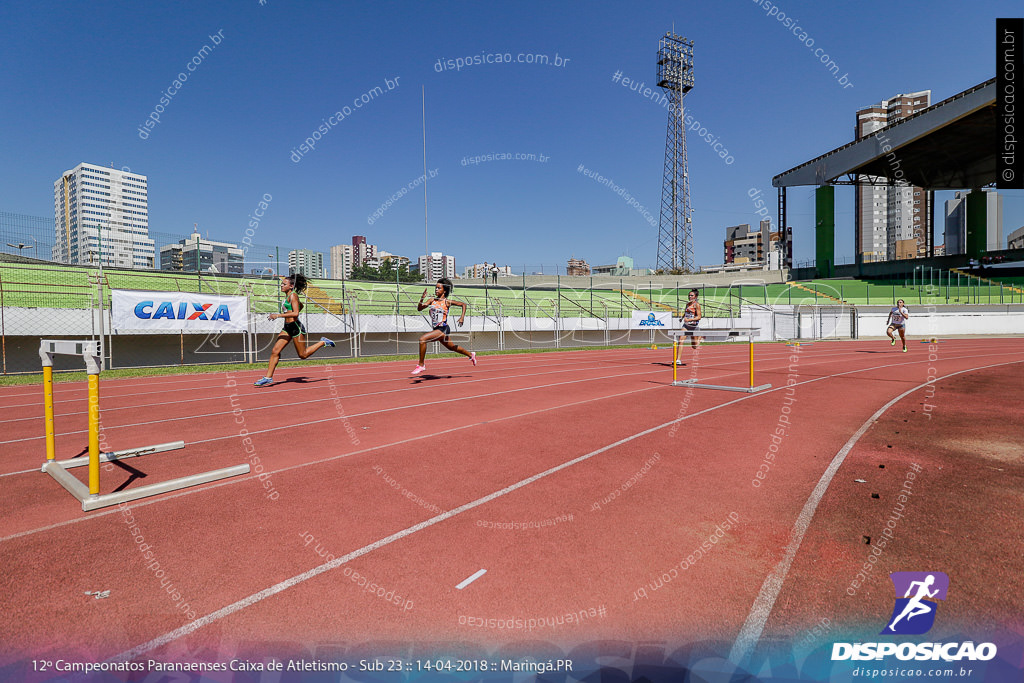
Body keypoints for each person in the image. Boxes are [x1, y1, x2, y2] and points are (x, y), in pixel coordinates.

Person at [254, 274, 334, 387]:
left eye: (284, 284)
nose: (281, 286)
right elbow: (300, 307)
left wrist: (278, 315)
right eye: (282, 284)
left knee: (303, 355)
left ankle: (323, 342)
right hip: (287, 328)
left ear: (291, 286)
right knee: (275, 351)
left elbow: (296, 313)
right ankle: (268, 377)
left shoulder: (293, 296)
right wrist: (279, 276)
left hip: (296, 328)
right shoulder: (288, 296)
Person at [412, 278, 476, 375]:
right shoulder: (431, 300)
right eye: (435, 288)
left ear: (444, 291)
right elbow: (419, 309)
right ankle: (471, 355)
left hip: (443, 329)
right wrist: (422, 298)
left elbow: (463, 304)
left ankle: (421, 365)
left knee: (422, 339)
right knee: (452, 347)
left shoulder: (447, 302)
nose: (436, 290)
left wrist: (462, 317)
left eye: (439, 288)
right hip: (436, 329)